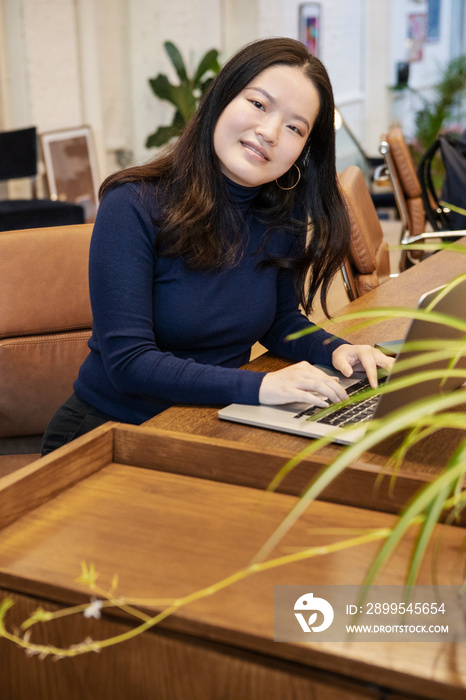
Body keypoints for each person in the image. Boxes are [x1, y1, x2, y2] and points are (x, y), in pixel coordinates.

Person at [41, 37, 394, 456]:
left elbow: (279, 321)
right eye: (259, 104)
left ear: (305, 150)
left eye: (295, 127)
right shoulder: (133, 204)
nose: (269, 132)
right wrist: (262, 386)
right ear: (222, 99)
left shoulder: (283, 211)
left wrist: (340, 350)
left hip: (210, 420)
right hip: (109, 433)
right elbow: (129, 362)